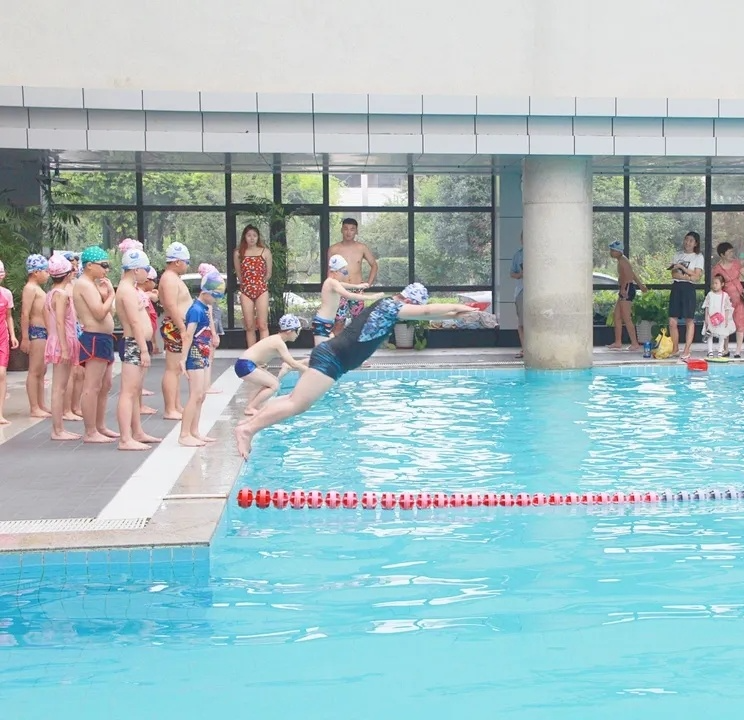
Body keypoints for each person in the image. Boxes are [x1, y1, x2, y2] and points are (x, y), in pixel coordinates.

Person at [235, 283, 477, 458]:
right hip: (332, 359)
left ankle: (249, 424)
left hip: (333, 358)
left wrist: (456, 314)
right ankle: (247, 430)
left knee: (292, 400)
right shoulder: (391, 307)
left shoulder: (389, 306)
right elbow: (426, 312)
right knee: (296, 404)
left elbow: (427, 314)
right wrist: (460, 306)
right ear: (410, 301)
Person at [115, 249, 162, 451]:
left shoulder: (131, 289)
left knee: (134, 391)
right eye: (145, 269)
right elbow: (134, 322)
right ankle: (125, 438)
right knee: (128, 392)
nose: (147, 273)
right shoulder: (126, 291)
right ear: (135, 270)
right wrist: (143, 349)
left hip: (137, 343)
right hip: (133, 344)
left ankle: (137, 432)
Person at [73, 245, 119, 443]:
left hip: (104, 338)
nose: (106, 270)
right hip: (94, 338)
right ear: (90, 265)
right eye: (104, 265)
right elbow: (100, 313)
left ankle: (100, 426)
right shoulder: (83, 284)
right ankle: (90, 431)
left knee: (105, 384)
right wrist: (111, 296)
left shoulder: (92, 285)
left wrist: (105, 296)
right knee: (92, 386)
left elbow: (110, 312)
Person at [178, 271, 226, 447]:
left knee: (202, 395)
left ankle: (194, 431)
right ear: (205, 292)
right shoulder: (196, 310)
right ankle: (184, 434)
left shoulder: (204, 308)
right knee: (195, 395)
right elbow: (188, 335)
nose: (216, 300)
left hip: (203, 354)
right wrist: (183, 359)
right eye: (215, 296)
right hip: (194, 355)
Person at [234, 313, 308, 417]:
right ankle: (250, 408)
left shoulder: (276, 339)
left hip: (245, 364)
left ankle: (252, 406)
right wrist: (308, 371)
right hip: (245, 365)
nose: (298, 334)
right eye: (298, 331)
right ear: (289, 331)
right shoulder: (279, 342)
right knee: (274, 385)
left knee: (272, 382)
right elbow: (291, 363)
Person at [44, 254, 81, 441]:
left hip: (59, 339)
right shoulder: (61, 294)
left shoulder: (51, 293)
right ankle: (57, 430)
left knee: (61, 386)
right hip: (62, 340)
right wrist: (65, 348)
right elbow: (59, 321)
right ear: (66, 274)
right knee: (59, 388)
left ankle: (59, 428)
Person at [313, 254, 384, 345]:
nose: (345, 273)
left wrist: (358, 286)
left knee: (330, 347)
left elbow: (343, 285)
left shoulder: (332, 282)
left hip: (326, 322)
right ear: (335, 272)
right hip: (322, 322)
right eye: (343, 270)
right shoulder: (332, 283)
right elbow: (348, 295)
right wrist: (371, 297)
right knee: (320, 351)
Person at [328, 218, 379, 335]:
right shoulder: (334, 249)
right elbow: (330, 271)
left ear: (356, 231)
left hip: (357, 291)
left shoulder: (362, 248)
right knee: (338, 323)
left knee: (359, 323)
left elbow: (374, 265)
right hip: (339, 290)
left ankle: (356, 346)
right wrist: (331, 289)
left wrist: (368, 283)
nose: (348, 232)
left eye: (352, 229)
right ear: (341, 230)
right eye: (346, 229)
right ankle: (335, 345)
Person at [159, 242, 192, 420]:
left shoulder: (172, 277)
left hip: (177, 325)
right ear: (177, 262)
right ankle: (169, 408)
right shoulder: (169, 279)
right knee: (172, 369)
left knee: (177, 369)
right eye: (187, 262)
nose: (187, 265)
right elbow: (171, 305)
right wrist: (182, 328)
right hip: (175, 326)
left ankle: (176, 405)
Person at [20, 254, 51, 418]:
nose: (47, 274)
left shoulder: (37, 288)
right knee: (35, 370)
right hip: (36, 331)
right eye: (45, 271)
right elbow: (25, 313)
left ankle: (41, 404)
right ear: (36, 272)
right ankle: (34, 407)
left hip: (43, 332)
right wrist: (25, 337)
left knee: (42, 369)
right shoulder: (30, 288)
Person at [668, 231, 704, 360]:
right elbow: (674, 274)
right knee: (672, 320)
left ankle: (687, 349)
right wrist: (688, 276)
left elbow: (697, 276)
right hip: (677, 287)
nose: (688, 243)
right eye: (686, 239)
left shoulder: (698, 257)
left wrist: (682, 269)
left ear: (695, 243)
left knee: (689, 319)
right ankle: (675, 348)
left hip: (689, 289)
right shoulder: (677, 255)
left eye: (691, 241)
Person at [233, 224, 271, 347]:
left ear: (258, 237)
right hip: (246, 290)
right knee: (249, 326)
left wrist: (259, 283)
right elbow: (239, 274)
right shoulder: (238, 253)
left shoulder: (265, 252)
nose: (252, 238)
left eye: (254, 235)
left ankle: (264, 353)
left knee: (262, 325)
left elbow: (268, 273)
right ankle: (252, 354)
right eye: (249, 235)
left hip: (261, 290)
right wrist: (247, 284)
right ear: (244, 237)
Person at [607, 240, 648, 351]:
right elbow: (632, 273)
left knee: (626, 317)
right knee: (616, 316)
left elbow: (628, 276)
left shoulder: (623, 261)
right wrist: (641, 285)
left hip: (627, 289)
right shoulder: (622, 260)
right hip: (626, 288)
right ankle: (618, 342)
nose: (610, 252)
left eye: (612, 250)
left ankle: (635, 343)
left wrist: (623, 288)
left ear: (618, 251)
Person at [711, 242, 744, 358]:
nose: (732, 254)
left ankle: (738, 350)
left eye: (732, 252)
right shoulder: (717, 269)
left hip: (739, 299)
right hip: (725, 301)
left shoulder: (737, 264)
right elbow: (715, 285)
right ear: (722, 254)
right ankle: (725, 349)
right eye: (729, 252)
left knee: (740, 323)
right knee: (726, 324)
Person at [198, 263, 223, 394]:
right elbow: (210, 319)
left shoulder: (204, 299)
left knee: (207, 359)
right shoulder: (208, 302)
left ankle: (205, 385)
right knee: (208, 359)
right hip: (208, 332)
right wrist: (214, 334)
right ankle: (206, 386)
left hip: (206, 331)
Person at [0, 260, 19, 425]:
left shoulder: (6, 294)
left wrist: (13, 335)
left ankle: (0, 413)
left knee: (1, 374)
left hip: (2, 338)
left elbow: (8, 316)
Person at [702, 273, 735, 358]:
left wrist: (726, 319)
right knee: (709, 334)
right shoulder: (710, 294)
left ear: (722, 284)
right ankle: (710, 351)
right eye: (713, 283)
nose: (714, 285)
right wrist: (706, 318)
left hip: (721, 318)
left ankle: (720, 351)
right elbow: (706, 307)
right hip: (711, 318)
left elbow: (727, 308)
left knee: (722, 335)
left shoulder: (725, 295)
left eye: (716, 283)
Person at [509, 235, 524, 358]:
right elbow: (512, 273)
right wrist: (521, 274)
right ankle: (524, 348)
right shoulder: (518, 255)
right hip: (521, 291)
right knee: (522, 322)